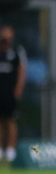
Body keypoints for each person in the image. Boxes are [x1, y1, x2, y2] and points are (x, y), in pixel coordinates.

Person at [0, 25, 26, 162]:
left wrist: (18, 89)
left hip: (10, 93)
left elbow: (22, 71)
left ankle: (10, 151)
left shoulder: (16, 53)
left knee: (10, 121)